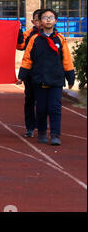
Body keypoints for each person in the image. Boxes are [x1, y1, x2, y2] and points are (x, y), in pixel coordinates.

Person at [16, 9, 75, 146]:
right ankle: (41, 131)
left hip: (56, 80)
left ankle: (55, 134)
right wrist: (22, 76)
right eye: (44, 17)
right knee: (41, 108)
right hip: (39, 79)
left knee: (55, 108)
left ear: (56, 21)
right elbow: (27, 59)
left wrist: (70, 78)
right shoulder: (34, 39)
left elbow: (67, 59)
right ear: (40, 21)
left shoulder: (60, 39)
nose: (48, 20)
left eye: (51, 17)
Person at [17, 9, 42, 138]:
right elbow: (20, 45)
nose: (41, 22)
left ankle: (41, 124)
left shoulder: (55, 35)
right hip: (31, 73)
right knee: (30, 100)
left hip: (46, 74)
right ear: (33, 21)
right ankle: (30, 127)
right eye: (38, 19)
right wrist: (18, 31)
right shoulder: (28, 34)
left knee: (44, 101)